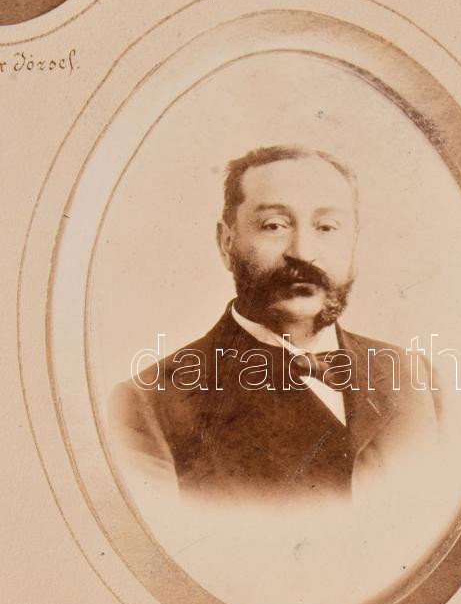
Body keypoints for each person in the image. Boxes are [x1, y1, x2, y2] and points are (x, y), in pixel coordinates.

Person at [109, 145, 440, 501]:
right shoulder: (150, 405)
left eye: (327, 227)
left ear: (354, 242)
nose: (303, 252)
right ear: (226, 243)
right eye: (274, 226)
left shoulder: (415, 376)